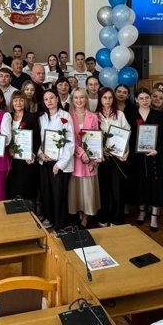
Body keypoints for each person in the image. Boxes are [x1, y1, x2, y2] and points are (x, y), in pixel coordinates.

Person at [128, 88, 163, 232]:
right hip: (137, 157)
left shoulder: (158, 115)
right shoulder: (131, 115)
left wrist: (156, 150)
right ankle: (142, 211)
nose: (144, 101)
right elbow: (129, 137)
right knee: (140, 183)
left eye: (147, 98)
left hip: (154, 156)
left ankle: (154, 216)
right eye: (141, 98)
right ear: (137, 100)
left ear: (150, 99)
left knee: (155, 185)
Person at [37, 89, 74, 230]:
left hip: (60, 162)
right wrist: (40, 154)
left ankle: (60, 224)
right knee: (46, 192)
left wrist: (61, 163)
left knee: (59, 194)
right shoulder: (42, 118)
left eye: (52, 98)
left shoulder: (65, 117)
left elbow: (70, 142)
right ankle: (50, 218)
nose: (49, 101)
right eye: (46, 99)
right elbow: (38, 140)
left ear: (57, 99)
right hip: (45, 160)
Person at [95, 87, 129, 227]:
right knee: (103, 188)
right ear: (100, 99)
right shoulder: (95, 115)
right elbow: (91, 137)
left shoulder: (120, 115)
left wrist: (126, 152)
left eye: (110, 98)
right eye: (104, 98)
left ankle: (117, 218)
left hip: (117, 158)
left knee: (117, 189)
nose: (107, 100)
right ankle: (103, 217)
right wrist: (101, 149)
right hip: (102, 159)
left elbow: (127, 133)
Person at [69, 88, 100, 227]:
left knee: (88, 190)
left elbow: (96, 138)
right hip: (75, 159)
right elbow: (69, 140)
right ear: (72, 100)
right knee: (77, 190)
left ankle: (86, 217)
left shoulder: (93, 116)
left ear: (86, 99)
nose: (79, 100)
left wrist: (92, 154)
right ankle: (79, 214)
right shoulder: (67, 117)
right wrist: (81, 153)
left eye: (82, 97)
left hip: (90, 160)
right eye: (76, 98)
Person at [6, 92, 40, 203]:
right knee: (12, 186)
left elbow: (37, 139)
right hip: (10, 158)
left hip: (26, 159)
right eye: (15, 100)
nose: (18, 103)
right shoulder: (8, 116)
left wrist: (32, 154)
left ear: (25, 102)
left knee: (26, 187)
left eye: (21, 100)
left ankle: (28, 212)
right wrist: (8, 148)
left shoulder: (32, 117)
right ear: (11, 102)